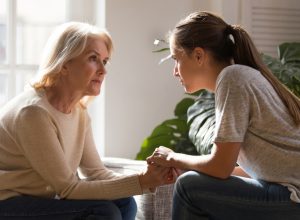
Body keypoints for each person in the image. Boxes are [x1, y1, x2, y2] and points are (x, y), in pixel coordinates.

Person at [0, 22, 175, 220]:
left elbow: (96, 172)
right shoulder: (33, 113)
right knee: (104, 212)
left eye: (105, 61)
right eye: (93, 59)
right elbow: (67, 188)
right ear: (64, 63)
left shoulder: (79, 112)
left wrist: (148, 175)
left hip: (40, 199)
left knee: (123, 202)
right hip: (7, 203)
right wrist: (142, 181)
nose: (103, 70)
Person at [147, 11, 300, 220]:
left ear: (199, 55)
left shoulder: (233, 78)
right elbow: (251, 171)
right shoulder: (241, 77)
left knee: (188, 188)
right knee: (192, 181)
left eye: (176, 59)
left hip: (292, 198)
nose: (175, 71)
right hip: (287, 193)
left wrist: (172, 157)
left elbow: (220, 167)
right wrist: (186, 167)